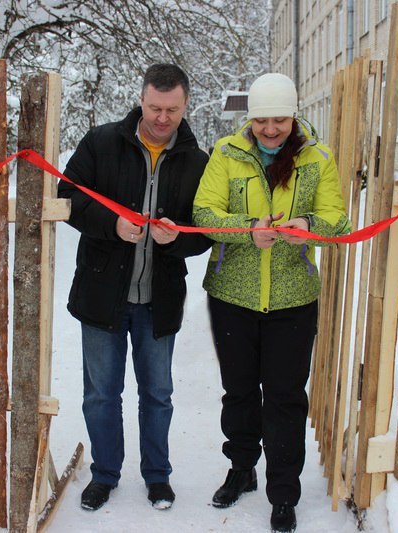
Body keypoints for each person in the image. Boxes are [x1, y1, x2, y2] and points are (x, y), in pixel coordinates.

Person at [192, 73, 350, 533]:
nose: (271, 129)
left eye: (280, 119)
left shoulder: (316, 157)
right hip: (232, 297)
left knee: (284, 397)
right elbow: (205, 214)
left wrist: (306, 223)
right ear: (251, 118)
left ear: (294, 115)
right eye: (262, 120)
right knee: (239, 390)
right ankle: (241, 470)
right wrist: (247, 229)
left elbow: (337, 220)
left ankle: (284, 493)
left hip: (292, 299)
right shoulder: (226, 153)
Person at [58, 63, 211, 512]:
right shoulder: (102, 143)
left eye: (172, 109)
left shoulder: (198, 161)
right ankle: (105, 474)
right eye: (154, 107)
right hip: (103, 293)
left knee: (158, 394)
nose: (162, 118)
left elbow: (207, 230)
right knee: (101, 394)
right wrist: (111, 225)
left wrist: (178, 238)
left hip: (158, 299)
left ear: (185, 106)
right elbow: (67, 196)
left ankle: (157, 476)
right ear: (140, 100)